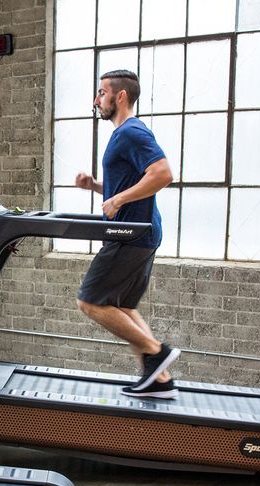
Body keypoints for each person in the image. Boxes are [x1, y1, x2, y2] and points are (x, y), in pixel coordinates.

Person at [73, 70, 179, 398]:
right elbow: (132, 183)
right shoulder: (125, 134)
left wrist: (118, 200)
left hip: (128, 234)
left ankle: (156, 351)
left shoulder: (130, 132)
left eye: (101, 93)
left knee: (90, 302)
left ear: (120, 96)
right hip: (143, 232)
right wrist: (96, 187)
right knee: (124, 306)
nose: (96, 100)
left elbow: (162, 174)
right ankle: (160, 381)